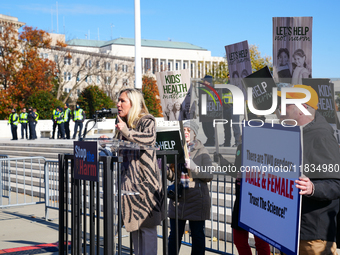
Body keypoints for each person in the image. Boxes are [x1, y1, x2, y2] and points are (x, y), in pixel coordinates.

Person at [278, 84, 340, 254]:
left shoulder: (321, 136)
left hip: (312, 236)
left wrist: (313, 188)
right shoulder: (293, 133)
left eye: (285, 103)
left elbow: (336, 184)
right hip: (291, 229)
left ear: (302, 109)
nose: (279, 108)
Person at [114, 88, 163, 255]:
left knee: (146, 229)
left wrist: (125, 131)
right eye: (118, 100)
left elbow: (148, 140)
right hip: (128, 184)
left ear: (133, 103)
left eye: (122, 101)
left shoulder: (147, 120)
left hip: (145, 186)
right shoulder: (124, 123)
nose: (118, 104)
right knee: (134, 228)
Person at [167, 120, 213, 255]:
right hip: (178, 200)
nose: (186, 133)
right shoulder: (178, 149)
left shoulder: (202, 151)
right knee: (174, 237)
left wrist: (194, 168)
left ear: (194, 133)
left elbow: (209, 175)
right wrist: (164, 167)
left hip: (196, 201)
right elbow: (173, 176)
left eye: (189, 130)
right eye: (184, 130)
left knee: (198, 238)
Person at [220, 72, 241, 147]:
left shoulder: (236, 84)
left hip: (234, 107)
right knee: (226, 127)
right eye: (228, 75)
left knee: (235, 126)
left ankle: (238, 143)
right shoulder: (225, 83)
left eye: (230, 75)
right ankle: (227, 143)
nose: (228, 76)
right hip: (225, 108)